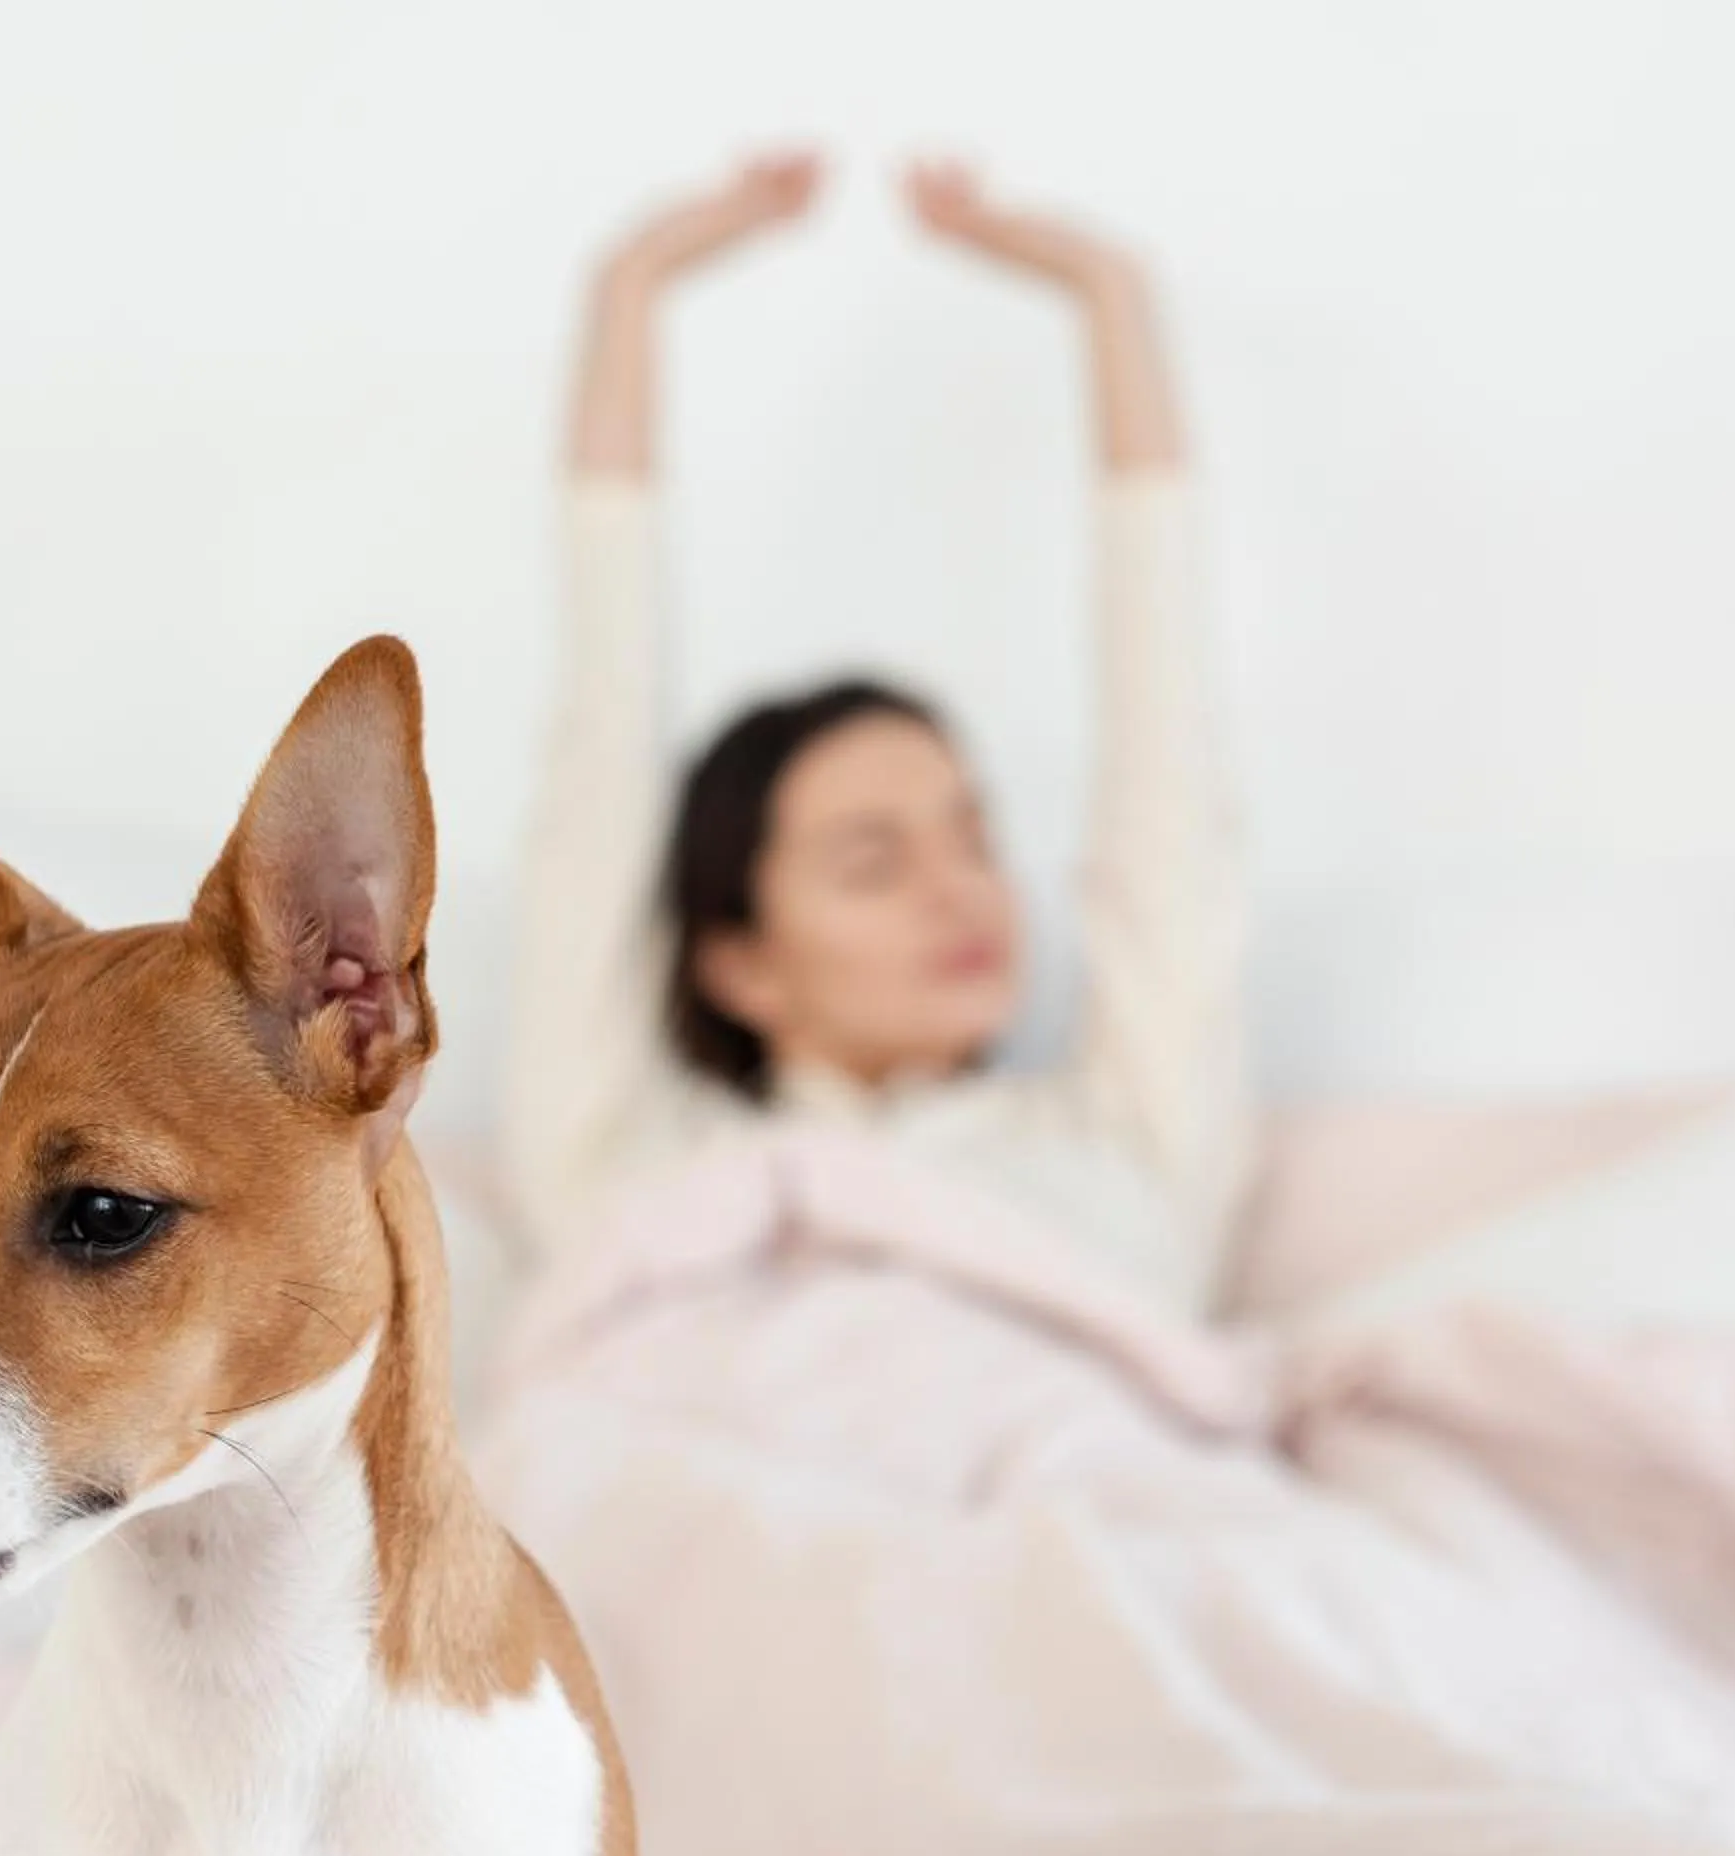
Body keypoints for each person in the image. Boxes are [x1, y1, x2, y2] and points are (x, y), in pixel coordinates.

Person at [503, 150, 1251, 1314]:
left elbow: (1172, 785)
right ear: (741, 963)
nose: (961, 895)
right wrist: (630, 288)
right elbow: (597, 756)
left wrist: (1113, 298)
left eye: (972, 838)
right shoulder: (634, 1164)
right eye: (873, 862)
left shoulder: (1124, 1142)